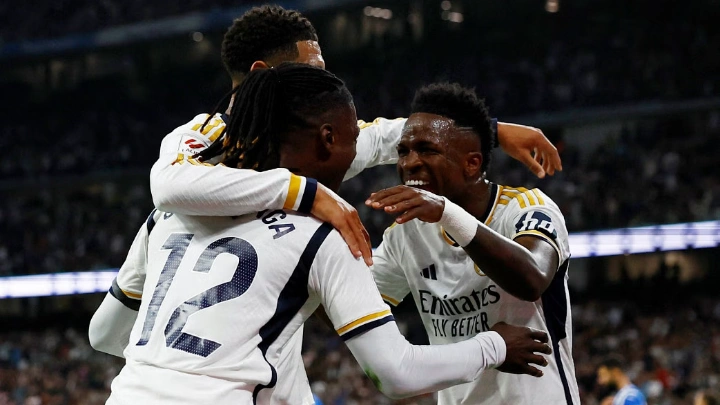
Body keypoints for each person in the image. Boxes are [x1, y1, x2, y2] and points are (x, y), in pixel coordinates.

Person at [90, 64, 551, 405]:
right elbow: (397, 375)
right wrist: (494, 345)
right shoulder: (324, 232)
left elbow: (105, 333)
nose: (364, 150)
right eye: (355, 137)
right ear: (329, 140)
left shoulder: (166, 216)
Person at [149, 5, 564, 268]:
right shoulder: (205, 135)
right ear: (261, 74)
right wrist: (310, 195)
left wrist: (491, 130)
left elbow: (385, 137)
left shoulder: (313, 141)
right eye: (312, 69)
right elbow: (167, 186)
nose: (326, 80)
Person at [364, 83, 580, 404]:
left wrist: (448, 213)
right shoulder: (405, 234)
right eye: (404, 151)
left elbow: (532, 279)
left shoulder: (527, 207)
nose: (409, 162)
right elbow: (351, 307)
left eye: (427, 150)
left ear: (472, 164)